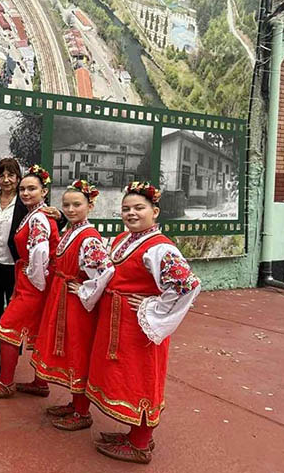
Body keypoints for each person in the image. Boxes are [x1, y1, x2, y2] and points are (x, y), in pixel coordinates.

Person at [83, 182, 201, 464]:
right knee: (126, 375)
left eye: (139, 208)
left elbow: (187, 285)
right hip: (119, 323)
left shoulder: (160, 247)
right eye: (126, 209)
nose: (131, 213)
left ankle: (140, 443)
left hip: (139, 327)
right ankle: (135, 434)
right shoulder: (125, 239)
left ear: (154, 211)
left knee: (143, 376)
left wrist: (154, 307)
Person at [31, 180, 114, 431]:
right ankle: (75, 403)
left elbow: (105, 270)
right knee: (70, 349)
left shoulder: (88, 238)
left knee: (78, 350)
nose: (70, 209)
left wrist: (83, 290)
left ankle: (82, 412)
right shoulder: (72, 231)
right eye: (66, 205)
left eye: (77, 204)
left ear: (90, 206)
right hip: (63, 298)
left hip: (76, 304)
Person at [0, 164, 59, 399]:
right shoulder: (33, 213)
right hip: (21, 273)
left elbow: (40, 253)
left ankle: (6, 383)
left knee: (7, 328)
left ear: (44, 191)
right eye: (23, 189)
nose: (25, 193)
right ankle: (40, 382)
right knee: (38, 331)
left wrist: (35, 281)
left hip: (32, 280)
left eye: (31, 189)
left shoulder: (39, 217)